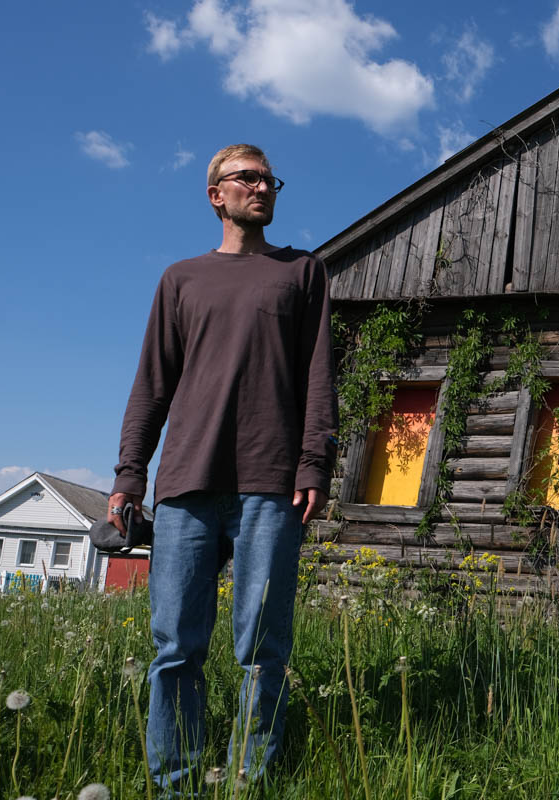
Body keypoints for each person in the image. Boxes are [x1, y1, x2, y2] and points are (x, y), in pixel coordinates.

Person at [108, 143, 337, 789]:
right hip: (186, 483)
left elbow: (320, 377)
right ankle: (174, 783)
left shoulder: (302, 273)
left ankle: (247, 780)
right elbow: (152, 383)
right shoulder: (182, 279)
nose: (262, 187)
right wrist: (129, 475)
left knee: (263, 649)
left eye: (270, 179)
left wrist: (313, 462)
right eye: (248, 178)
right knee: (176, 648)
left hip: (272, 484)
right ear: (217, 194)